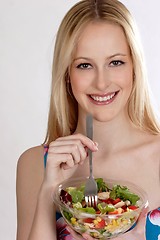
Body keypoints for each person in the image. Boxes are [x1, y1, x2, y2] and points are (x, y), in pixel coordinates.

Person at [16, 0, 160, 239]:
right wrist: (48, 192)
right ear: (67, 75)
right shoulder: (35, 165)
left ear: (135, 67)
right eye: (84, 65)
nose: (101, 83)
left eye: (116, 62)